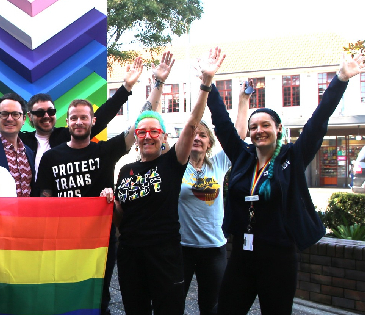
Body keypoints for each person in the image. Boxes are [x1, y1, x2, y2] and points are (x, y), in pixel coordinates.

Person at [208, 52, 364, 314]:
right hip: (242, 255)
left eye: (265, 125)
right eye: (254, 126)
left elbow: (318, 122)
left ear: (278, 128)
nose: (259, 131)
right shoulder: (242, 156)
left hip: (279, 257)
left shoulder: (293, 156)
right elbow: (222, 124)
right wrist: (209, 81)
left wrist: (340, 79)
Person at [35, 53, 171, 315]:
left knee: (100, 295)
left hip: (100, 239)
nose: (78, 122)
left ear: (93, 121)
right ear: (67, 122)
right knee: (64, 293)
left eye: (84, 117)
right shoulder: (52, 156)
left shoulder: (106, 151)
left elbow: (142, 122)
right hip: (64, 238)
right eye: (73, 118)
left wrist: (156, 84)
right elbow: (45, 198)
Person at [101, 48, 223, 314]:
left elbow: (192, 123)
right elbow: (122, 218)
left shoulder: (172, 162)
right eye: (142, 132)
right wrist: (111, 202)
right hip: (131, 254)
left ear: (164, 136)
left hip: (165, 254)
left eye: (154, 132)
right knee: (136, 310)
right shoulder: (126, 171)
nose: (147, 136)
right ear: (137, 137)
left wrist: (206, 84)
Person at [0, 62, 139, 176]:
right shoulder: (21, 142)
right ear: (29, 118)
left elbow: (100, 119)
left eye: (50, 111)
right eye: (40, 113)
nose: (46, 116)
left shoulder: (68, 137)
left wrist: (126, 88)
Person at [177, 82, 249, 315]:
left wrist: (243, 100)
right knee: (172, 303)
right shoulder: (176, 165)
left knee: (212, 307)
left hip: (214, 247)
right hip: (181, 248)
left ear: (209, 142)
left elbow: (238, 134)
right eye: (193, 133)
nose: (197, 138)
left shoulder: (218, 163)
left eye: (203, 135)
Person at [0, 92, 36, 196]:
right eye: (4, 114)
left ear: (23, 119)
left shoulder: (29, 152)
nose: (10, 119)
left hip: (27, 211)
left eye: (15, 114)